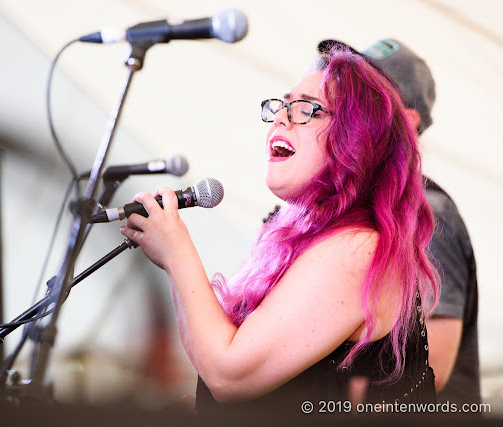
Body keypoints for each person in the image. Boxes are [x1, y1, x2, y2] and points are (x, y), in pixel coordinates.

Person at [119, 46, 439, 416]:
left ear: (357, 139)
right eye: (281, 106)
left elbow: (229, 375)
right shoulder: (306, 238)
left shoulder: (358, 249)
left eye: (306, 109)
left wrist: (176, 251)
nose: (281, 120)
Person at [317, 39, 480, 406]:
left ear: (406, 121)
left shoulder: (427, 213)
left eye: (370, 94)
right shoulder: (375, 206)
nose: (349, 101)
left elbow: (429, 369)